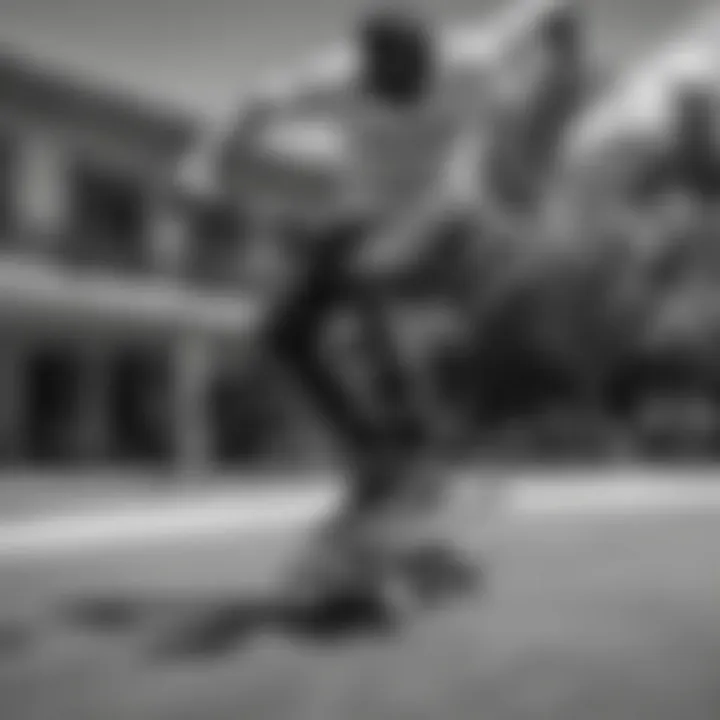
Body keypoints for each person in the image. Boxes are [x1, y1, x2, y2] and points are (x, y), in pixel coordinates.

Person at [183, 0, 571, 614]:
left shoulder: (474, 55)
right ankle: (372, 453)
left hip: (439, 215)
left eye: (412, 82)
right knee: (284, 333)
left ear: (431, 60)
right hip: (358, 215)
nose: (399, 95)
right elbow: (252, 106)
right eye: (386, 86)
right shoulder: (332, 79)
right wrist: (208, 162)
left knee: (374, 276)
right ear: (367, 71)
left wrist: (561, 38)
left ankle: (408, 439)